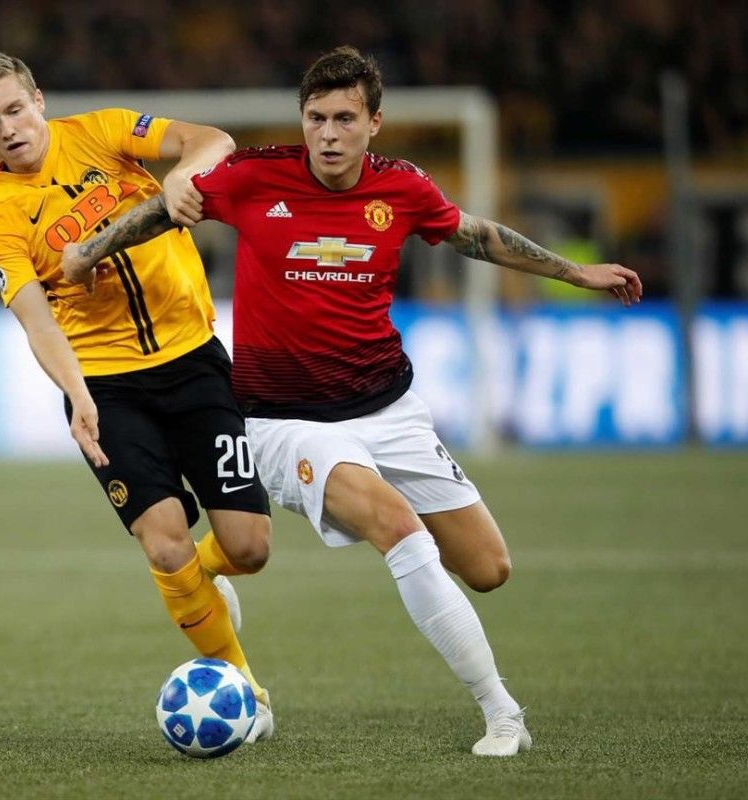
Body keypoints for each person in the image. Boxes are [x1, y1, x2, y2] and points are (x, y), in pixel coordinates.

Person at [61, 46, 644, 757]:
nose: (328, 134)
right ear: (302, 120)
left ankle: (206, 563)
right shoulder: (254, 178)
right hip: (284, 422)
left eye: (344, 119)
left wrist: (577, 273)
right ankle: (502, 713)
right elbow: (161, 211)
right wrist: (89, 251)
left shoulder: (403, 188)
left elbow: (474, 236)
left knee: (489, 569)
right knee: (397, 526)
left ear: (374, 123)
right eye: (316, 118)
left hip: (390, 409)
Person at [0, 51, 274, 742]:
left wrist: (183, 175)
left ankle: (203, 574)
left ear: (38, 100)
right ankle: (245, 690)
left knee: (249, 548)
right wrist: (76, 395)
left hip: (193, 360)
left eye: (15, 110)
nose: (8, 129)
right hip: (105, 386)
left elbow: (211, 140)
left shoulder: (102, 132)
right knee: (163, 544)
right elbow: (37, 320)